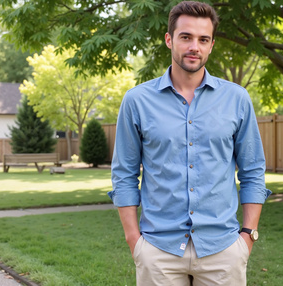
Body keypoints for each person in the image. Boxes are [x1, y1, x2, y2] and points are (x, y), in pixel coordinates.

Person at [108, 1, 271, 285]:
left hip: (223, 250)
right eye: (186, 37)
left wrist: (248, 236)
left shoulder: (237, 99)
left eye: (203, 39)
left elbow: (253, 170)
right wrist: (134, 240)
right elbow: (123, 174)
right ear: (169, 40)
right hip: (158, 251)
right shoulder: (137, 101)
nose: (194, 46)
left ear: (211, 45)